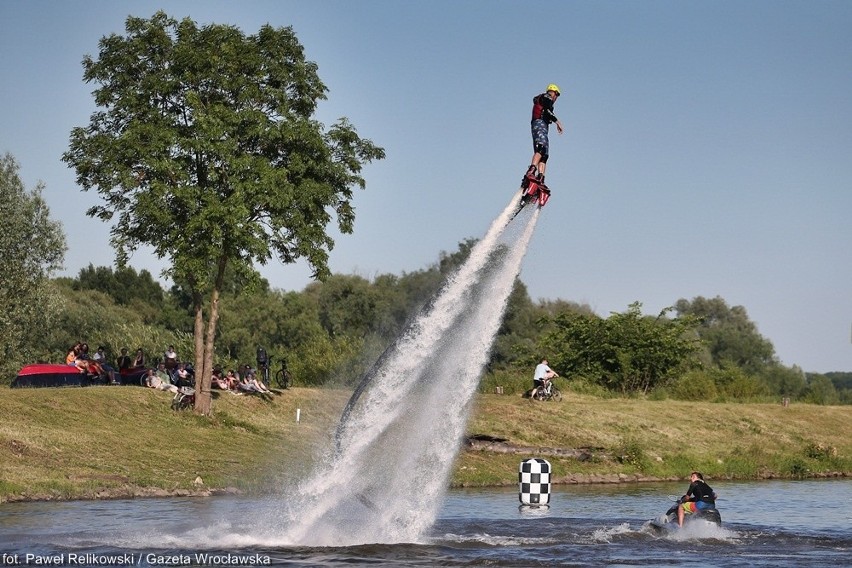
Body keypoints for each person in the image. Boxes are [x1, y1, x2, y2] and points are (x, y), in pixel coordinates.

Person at [522, 83, 564, 190]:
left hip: (543, 127)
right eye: (557, 95)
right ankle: (531, 171)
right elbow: (547, 111)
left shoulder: (548, 102)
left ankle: (541, 178)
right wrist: (557, 121)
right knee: (541, 148)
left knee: (545, 154)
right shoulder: (546, 97)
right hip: (538, 124)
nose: (556, 98)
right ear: (553, 92)